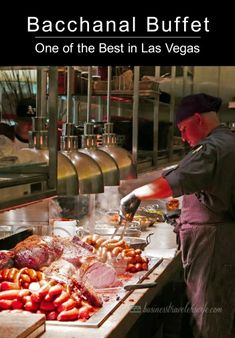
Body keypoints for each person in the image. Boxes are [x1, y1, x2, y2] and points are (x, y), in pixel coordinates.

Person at [119, 93, 235, 338]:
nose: (182, 137)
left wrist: (136, 195)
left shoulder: (213, 148)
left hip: (214, 246)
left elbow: (178, 180)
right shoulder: (225, 141)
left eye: (183, 129)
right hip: (214, 242)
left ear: (197, 119)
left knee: (209, 318)